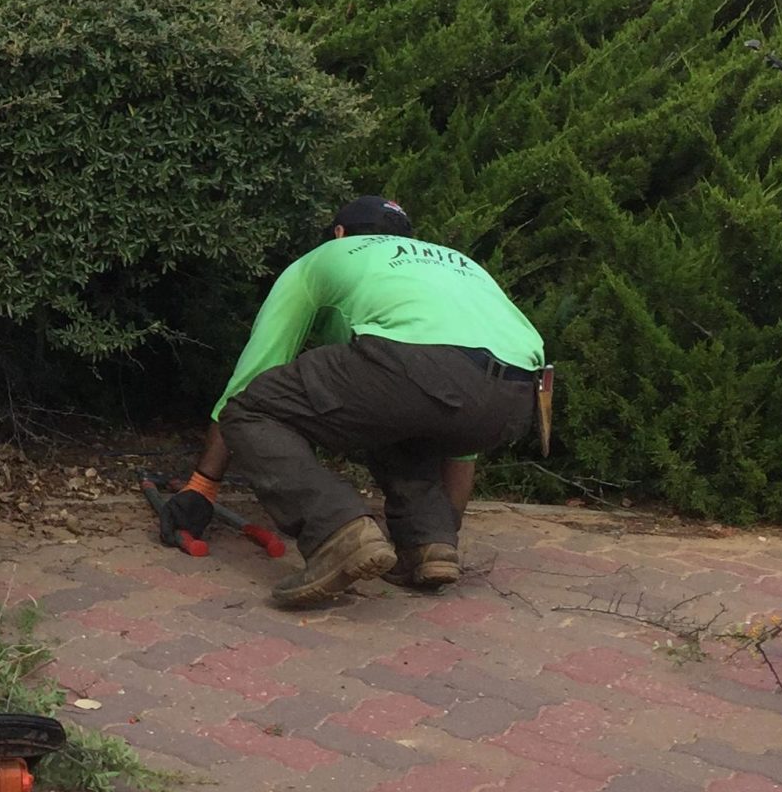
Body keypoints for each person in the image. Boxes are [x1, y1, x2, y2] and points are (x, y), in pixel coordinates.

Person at [160, 194, 547, 611]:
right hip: (518, 395)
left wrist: (202, 488)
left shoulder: (328, 256)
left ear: (340, 234)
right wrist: (446, 528)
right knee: (396, 412)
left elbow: (254, 373)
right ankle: (426, 544)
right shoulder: (458, 264)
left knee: (250, 409)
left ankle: (337, 534)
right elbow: (462, 414)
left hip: (415, 368)